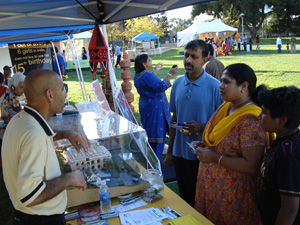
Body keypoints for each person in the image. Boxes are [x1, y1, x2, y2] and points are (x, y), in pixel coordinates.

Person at [2, 69, 90, 225]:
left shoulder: (21, 119)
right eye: (63, 88)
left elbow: (38, 135)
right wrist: (70, 178)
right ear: (50, 95)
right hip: (39, 219)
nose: (65, 94)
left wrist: (66, 134)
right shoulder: (33, 133)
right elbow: (29, 195)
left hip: (25, 216)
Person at [193, 63, 266, 224]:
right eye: (221, 81)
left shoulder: (250, 120)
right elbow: (221, 142)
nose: (220, 86)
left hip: (234, 196)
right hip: (212, 189)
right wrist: (206, 147)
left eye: (226, 82)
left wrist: (214, 157)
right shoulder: (226, 107)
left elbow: (251, 165)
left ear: (244, 86)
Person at [163, 40, 223, 207]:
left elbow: (222, 123)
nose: (188, 60)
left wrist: (201, 127)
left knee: (204, 201)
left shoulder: (215, 86)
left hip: (204, 155)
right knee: (185, 198)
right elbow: (174, 118)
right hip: (180, 153)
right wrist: (170, 152)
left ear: (205, 59)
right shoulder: (177, 83)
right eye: (186, 55)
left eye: (194, 56)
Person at [256, 86, 300, 225]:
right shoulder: (283, 140)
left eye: (264, 112)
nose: (259, 116)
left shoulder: (288, 155)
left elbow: (290, 208)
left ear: (282, 120)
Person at [134, 54, 178, 161]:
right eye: (149, 59)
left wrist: (155, 71)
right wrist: (170, 74)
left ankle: (150, 158)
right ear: (144, 64)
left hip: (146, 107)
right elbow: (161, 87)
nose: (151, 60)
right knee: (158, 133)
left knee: (150, 132)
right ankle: (156, 163)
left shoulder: (138, 75)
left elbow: (149, 83)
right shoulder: (148, 76)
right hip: (155, 109)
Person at [0, 72, 26, 153]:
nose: (23, 90)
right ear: (13, 86)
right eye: (21, 87)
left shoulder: (7, 94)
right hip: (7, 130)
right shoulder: (11, 97)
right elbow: (18, 116)